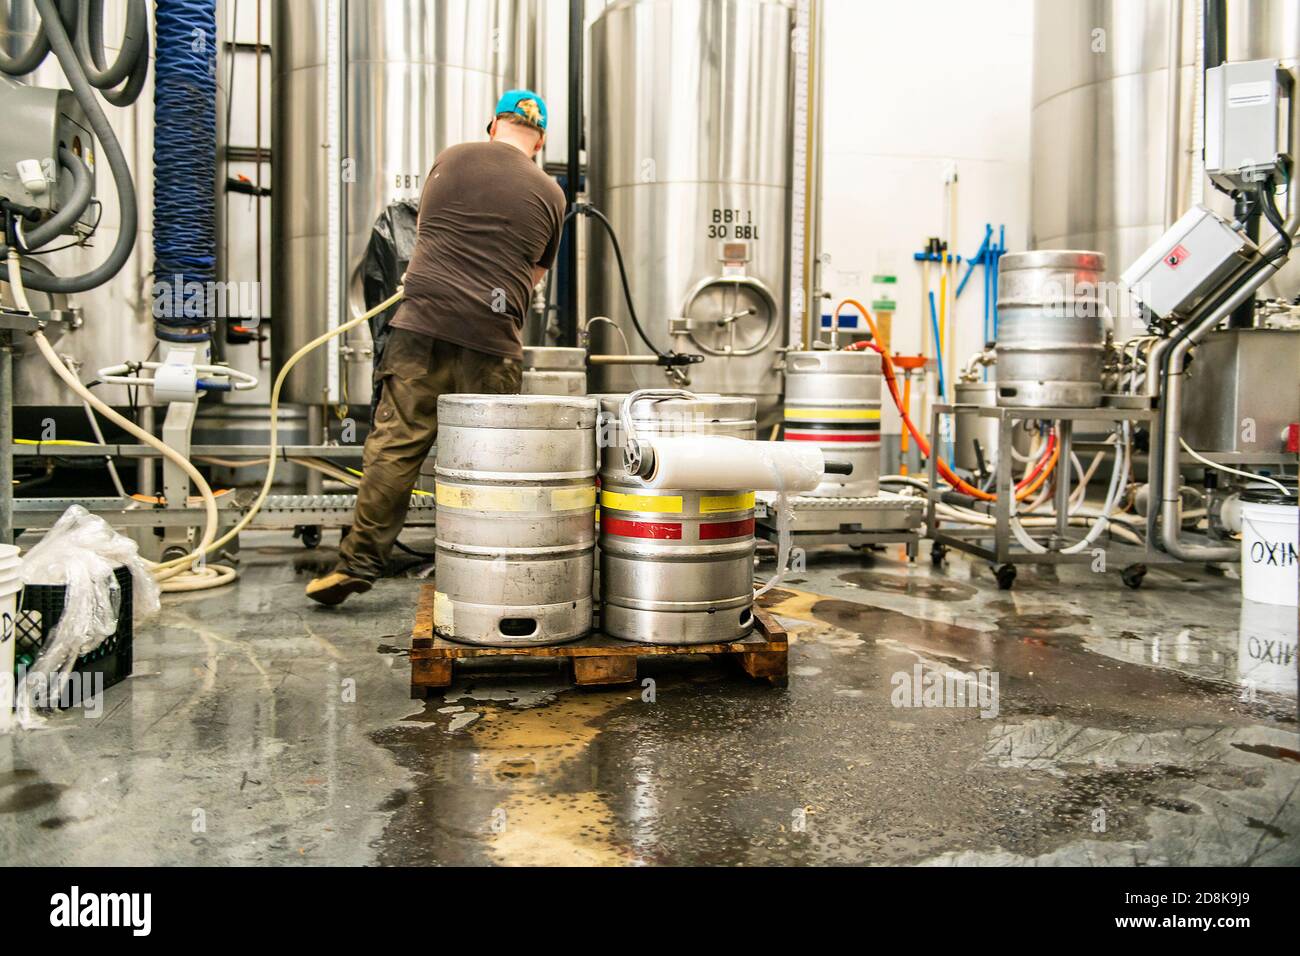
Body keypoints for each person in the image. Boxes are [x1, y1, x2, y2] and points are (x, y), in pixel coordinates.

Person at [307, 90, 566, 606]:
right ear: (540, 141)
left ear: (493, 123)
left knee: (395, 446)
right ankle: (489, 575)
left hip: (419, 327)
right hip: (492, 341)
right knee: (491, 462)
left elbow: (422, 233)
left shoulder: (452, 157)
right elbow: (533, 278)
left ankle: (357, 563)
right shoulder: (552, 195)